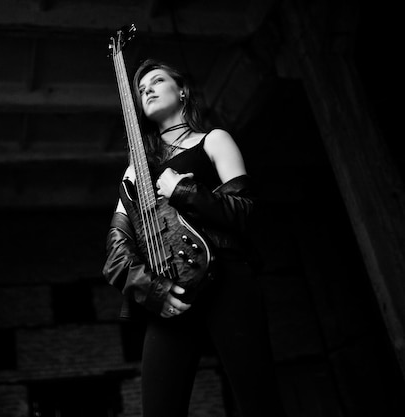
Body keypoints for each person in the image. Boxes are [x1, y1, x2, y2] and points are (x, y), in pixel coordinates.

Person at [102, 58, 287, 417]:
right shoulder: (135, 171)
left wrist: (183, 190)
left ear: (182, 89)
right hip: (171, 293)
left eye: (157, 81)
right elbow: (116, 249)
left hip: (229, 281)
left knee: (257, 400)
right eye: (140, 90)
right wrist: (154, 290)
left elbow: (245, 210)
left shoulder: (213, 140)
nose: (147, 90)